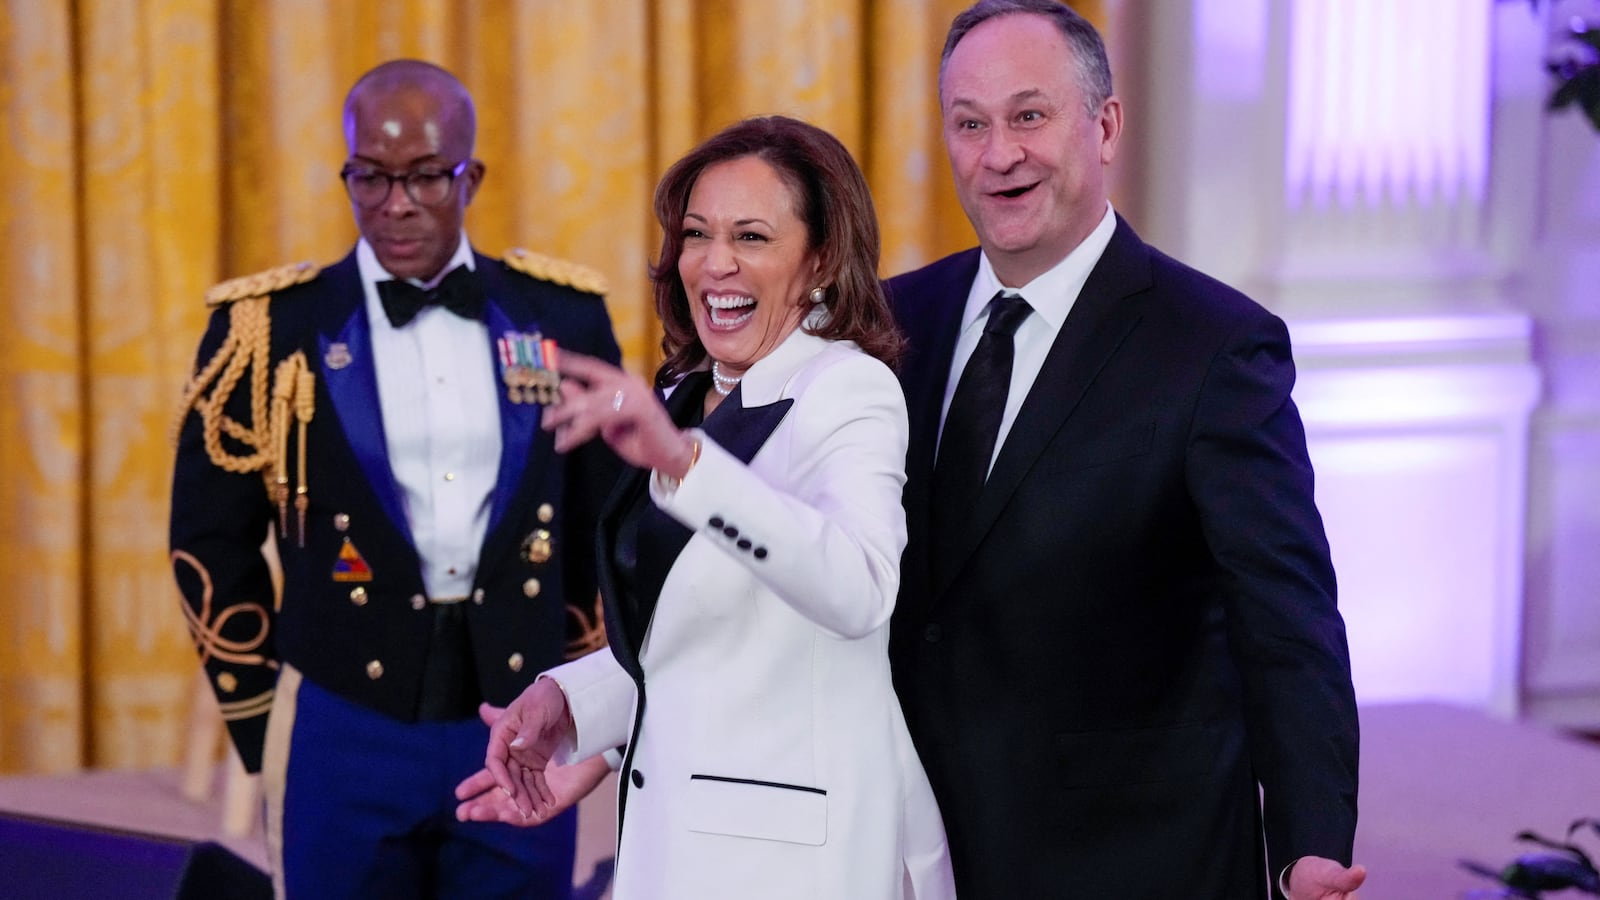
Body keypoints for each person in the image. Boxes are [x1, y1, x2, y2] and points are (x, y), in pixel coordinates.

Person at [884, 2, 1367, 898]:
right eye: (970, 123)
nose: (1000, 154)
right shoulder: (890, 323)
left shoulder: (1216, 346)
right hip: (909, 848)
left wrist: (1310, 840)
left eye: (1029, 115)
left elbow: (1285, 620)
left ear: (1104, 125)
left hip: (1129, 857)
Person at [453, 115, 956, 900]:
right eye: (696, 234)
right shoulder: (683, 395)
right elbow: (701, 640)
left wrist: (687, 465)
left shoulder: (847, 389)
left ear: (820, 258)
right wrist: (569, 704)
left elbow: (858, 590)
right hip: (671, 849)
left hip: (792, 863)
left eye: (751, 236)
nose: (714, 263)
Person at [169, 59, 621, 899]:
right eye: (369, 178)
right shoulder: (268, 331)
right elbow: (207, 536)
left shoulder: (559, 314)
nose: (396, 203)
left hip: (513, 714)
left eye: (423, 177)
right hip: (343, 721)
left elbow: (604, 522)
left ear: (470, 176)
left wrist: (582, 696)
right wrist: (263, 720)